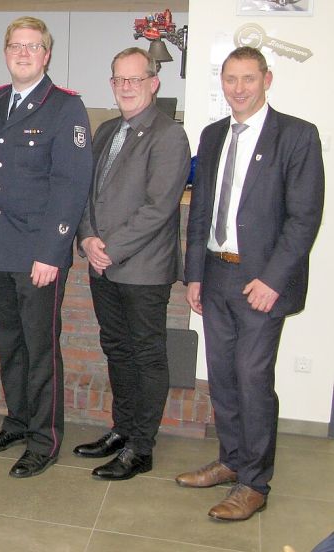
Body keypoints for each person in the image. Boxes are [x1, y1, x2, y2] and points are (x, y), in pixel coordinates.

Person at [177, 46, 324, 521]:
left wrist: (273, 280)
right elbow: (200, 212)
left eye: (248, 78)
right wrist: (194, 274)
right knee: (222, 377)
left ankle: (254, 482)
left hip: (262, 281)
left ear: (267, 79)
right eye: (230, 79)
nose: (238, 88)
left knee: (253, 380)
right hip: (217, 273)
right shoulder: (214, 134)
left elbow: (304, 219)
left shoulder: (297, 136)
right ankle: (231, 460)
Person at [0, 16, 93, 478]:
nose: (22, 54)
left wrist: (51, 252)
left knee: (40, 349)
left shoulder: (65, 107)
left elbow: (71, 183)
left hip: (38, 254)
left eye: (32, 46)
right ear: (6, 53)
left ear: (46, 54)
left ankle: (44, 439)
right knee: (9, 345)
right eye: (15, 46)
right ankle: (19, 420)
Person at [72, 47, 190, 480]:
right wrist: (87, 237)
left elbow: (159, 208)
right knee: (116, 349)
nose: (125, 87)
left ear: (153, 83)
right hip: (103, 265)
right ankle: (121, 430)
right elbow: (86, 194)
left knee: (146, 355)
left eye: (134, 80)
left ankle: (142, 447)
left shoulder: (168, 135)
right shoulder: (105, 131)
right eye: (118, 79)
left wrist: (111, 248)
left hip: (142, 269)